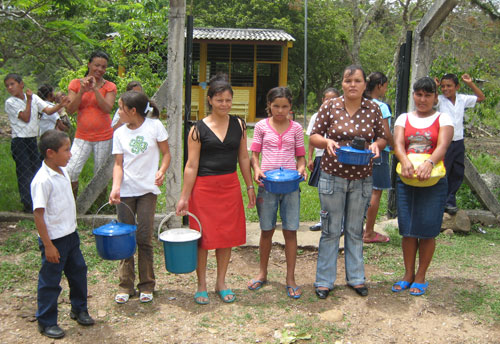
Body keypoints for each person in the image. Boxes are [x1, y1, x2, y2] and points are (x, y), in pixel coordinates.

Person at [176, 74, 255, 304]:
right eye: (219, 100)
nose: (224, 104)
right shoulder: (197, 129)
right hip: (204, 190)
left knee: (225, 237)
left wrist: (249, 185)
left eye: (228, 100)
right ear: (210, 100)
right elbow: (191, 166)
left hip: (229, 187)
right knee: (203, 238)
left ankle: (221, 281)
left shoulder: (239, 124)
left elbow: (243, 157)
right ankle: (201, 284)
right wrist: (184, 197)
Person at [310, 65, 387, 299]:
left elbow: (383, 137)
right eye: (347, 80)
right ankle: (324, 281)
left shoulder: (373, 108)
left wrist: (376, 145)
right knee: (331, 230)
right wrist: (326, 143)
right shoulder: (329, 106)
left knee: (355, 230)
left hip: (362, 178)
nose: (352, 84)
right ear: (342, 83)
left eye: (357, 80)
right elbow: (314, 135)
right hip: (333, 175)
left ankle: (356, 278)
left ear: (365, 84)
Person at [392, 77, 453, 296]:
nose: (423, 99)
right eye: (419, 94)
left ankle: (421, 276)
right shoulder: (403, 118)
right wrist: (405, 161)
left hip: (434, 180)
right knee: (408, 229)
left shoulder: (443, 118)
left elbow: (443, 145)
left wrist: (429, 162)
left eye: (428, 95)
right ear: (413, 96)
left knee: (427, 230)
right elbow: (398, 144)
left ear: (436, 97)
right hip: (406, 179)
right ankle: (408, 274)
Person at [31, 130, 95, 339]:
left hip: (70, 235)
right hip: (54, 240)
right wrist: (48, 245)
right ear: (50, 153)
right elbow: (38, 215)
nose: (70, 154)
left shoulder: (62, 171)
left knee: (78, 272)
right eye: (66, 150)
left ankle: (79, 308)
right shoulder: (42, 180)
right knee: (51, 281)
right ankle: (46, 321)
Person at [109, 91, 171, 304]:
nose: (118, 112)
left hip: (147, 191)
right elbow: (118, 164)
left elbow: (166, 154)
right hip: (125, 193)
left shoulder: (154, 127)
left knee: (143, 238)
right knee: (124, 239)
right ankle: (125, 285)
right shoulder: (119, 133)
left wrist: (162, 170)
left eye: (120, 108)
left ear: (132, 111)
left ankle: (147, 284)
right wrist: (115, 187)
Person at [247, 87, 307, 299]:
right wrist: (257, 169)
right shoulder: (261, 126)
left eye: (284, 106)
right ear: (269, 106)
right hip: (267, 185)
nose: (280, 111)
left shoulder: (296, 129)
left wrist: (301, 169)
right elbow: (254, 154)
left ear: (291, 107)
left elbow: (301, 156)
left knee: (290, 231)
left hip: (290, 187)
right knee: (266, 230)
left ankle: (290, 278)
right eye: (275, 106)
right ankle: (262, 273)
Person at [4, 73, 68, 212]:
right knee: (24, 171)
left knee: (36, 169)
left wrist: (60, 105)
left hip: (32, 138)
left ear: (21, 84)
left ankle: (37, 199)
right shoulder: (11, 102)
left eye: (12, 84)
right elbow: (26, 117)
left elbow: (48, 110)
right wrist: (29, 101)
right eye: (7, 86)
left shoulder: (34, 98)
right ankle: (27, 204)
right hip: (20, 140)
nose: (10, 88)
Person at [66, 51, 117, 196]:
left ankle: (98, 206)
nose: (99, 70)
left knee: (99, 174)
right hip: (82, 136)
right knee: (72, 170)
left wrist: (95, 89)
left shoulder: (110, 86)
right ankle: (73, 203)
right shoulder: (75, 84)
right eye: (97, 65)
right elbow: (70, 109)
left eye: (103, 67)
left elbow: (107, 108)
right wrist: (82, 90)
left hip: (104, 136)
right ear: (89, 64)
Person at [435, 73, 485, 215]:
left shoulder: (462, 99)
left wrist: (470, 83)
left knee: (457, 171)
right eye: (443, 86)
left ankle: (450, 200)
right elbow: (432, 101)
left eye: (449, 86)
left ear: (457, 87)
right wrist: (435, 87)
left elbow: (481, 97)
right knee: (444, 170)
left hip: (458, 140)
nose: (446, 89)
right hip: (445, 141)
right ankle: (440, 201)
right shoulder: (440, 100)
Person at [362, 72, 394, 243]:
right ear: (380, 85)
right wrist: (396, 147)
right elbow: (386, 133)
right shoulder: (381, 107)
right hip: (379, 152)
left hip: (362, 152)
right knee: (376, 191)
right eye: (386, 86)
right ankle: (368, 232)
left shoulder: (362, 103)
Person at [307, 87, 340, 232]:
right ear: (323, 100)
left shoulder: (341, 115)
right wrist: (310, 157)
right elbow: (311, 138)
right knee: (323, 190)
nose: (330, 101)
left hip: (337, 158)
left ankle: (340, 223)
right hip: (321, 157)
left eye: (333, 98)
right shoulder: (316, 116)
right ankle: (323, 220)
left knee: (338, 190)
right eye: (327, 99)